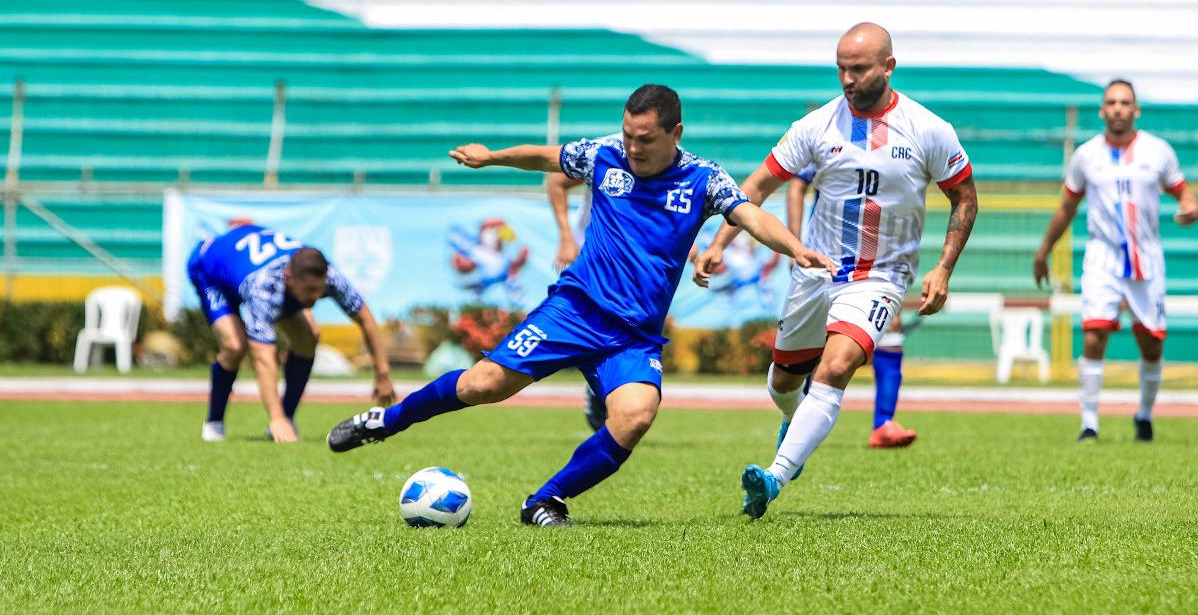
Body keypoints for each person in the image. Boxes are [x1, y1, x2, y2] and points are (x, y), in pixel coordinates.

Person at [327, 84, 837, 527]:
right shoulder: (605, 155)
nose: (633, 146)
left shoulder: (703, 179)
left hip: (633, 337)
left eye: (646, 138)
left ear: (675, 133)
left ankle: (546, 500)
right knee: (483, 384)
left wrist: (795, 248)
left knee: (635, 416)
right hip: (574, 312)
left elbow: (750, 215)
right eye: (628, 134)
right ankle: (384, 422)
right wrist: (492, 157)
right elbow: (545, 158)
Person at [694, 23, 978, 519]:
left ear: (888, 67)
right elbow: (757, 186)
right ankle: (792, 420)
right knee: (783, 383)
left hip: (881, 275)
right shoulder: (816, 126)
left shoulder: (929, 128)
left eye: (859, 68)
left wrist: (943, 268)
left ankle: (774, 477)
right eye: (841, 68)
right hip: (816, 271)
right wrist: (720, 241)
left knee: (837, 365)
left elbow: (965, 197)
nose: (848, 78)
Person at [1033, 79, 1198, 443]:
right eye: (1111, 102)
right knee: (1094, 335)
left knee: (1151, 343)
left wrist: (1191, 208)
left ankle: (1144, 415)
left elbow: (1185, 194)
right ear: (1102, 110)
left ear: (1136, 109)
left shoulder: (1158, 151)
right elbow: (1067, 206)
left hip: (1146, 258)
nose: (1118, 109)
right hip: (1103, 257)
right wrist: (1044, 250)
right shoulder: (1086, 155)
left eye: (1125, 102)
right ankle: (1089, 423)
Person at [187, 225, 395, 443]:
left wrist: (383, 373)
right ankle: (214, 423)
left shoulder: (331, 277)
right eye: (308, 291)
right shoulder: (263, 288)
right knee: (235, 345)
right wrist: (274, 418)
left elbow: (366, 320)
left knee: (308, 337)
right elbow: (263, 358)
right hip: (210, 268)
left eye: (319, 290)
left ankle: (288, 416)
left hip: (244, 255)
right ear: (289, 277)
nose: (314, 298)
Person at [787, 166, 916, 449]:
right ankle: (798, 421)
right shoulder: (828, 131)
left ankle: (883, 423)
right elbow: (797, 185)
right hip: (828, 258)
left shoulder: (895, 135)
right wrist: (795, 245)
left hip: (877, 262)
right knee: (816, 345)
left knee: (891, 331)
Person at [547, 167, 609, 431]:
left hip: (632, 263)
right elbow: (556, 183)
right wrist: (566, 236)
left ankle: (601, 389)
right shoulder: (605, 155)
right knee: (596, 327)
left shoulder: (672, 163)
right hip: (591, 257)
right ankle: (597, 387)